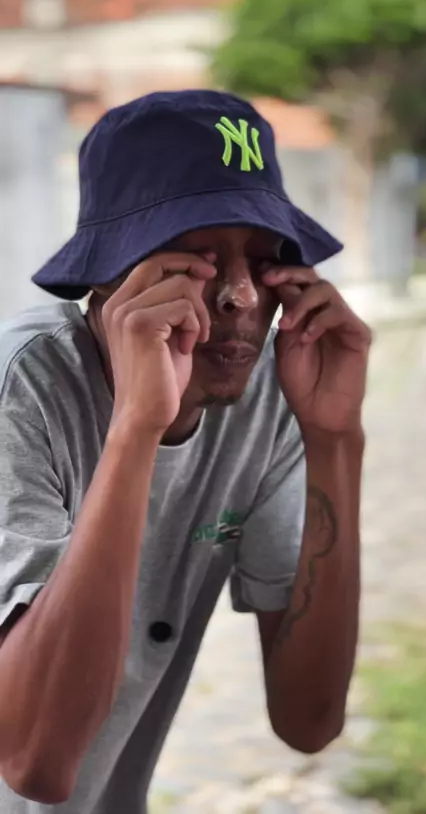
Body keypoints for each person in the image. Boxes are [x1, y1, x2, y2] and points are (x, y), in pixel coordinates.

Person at [0, 90, 371, 813]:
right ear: (109, 271)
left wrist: (335, 438)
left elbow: (309, 720)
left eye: (263, 261)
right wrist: (137, 428)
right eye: (197, 259)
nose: (241, 296)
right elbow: (36, 762)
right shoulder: (24, 388)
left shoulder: (268, 398)